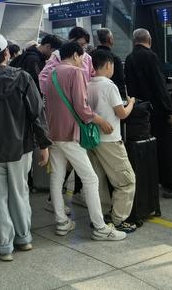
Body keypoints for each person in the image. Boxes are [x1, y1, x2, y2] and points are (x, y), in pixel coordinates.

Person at [0, 33, 51, 261]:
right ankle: (24, 238)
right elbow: (37, 113)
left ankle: (4, 246)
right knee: (20, 193)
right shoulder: (23, 78)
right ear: (6, 53)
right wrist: (43, 144)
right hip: (20, 147)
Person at [40, 40, 126, 241]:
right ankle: (100, 228)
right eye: (82, 58)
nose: (83, 62)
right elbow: (82, 107)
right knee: (91, 179)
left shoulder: (51, 73)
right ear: (76, 55)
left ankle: (61, 222)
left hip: (54, 133)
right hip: (70, 134)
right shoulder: (75, 72)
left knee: (57, 177)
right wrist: (100, 120)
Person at [125, 28, 172, 199]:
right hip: (157, 111)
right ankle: (170, 186)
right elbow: (159, 85)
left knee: (148, 148)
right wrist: (169, 110)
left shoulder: (130, 58)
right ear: (149, 40)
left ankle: (152, 182)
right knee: (165, 148)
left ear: (134, 41)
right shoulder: (151, 56)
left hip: (140, 112)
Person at [87, 49, 138, 232]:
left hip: (92, 140)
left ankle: (101, 216)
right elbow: (121, 114)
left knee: (99, 180)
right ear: (108, 65)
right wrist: (131, 103)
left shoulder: (87, 84)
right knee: (126, 181)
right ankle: (118, 220)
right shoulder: (109, 86)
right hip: (110, 140)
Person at [96, 28, 126, 97]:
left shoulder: (90, 56)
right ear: (110, 39)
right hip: (112, 95)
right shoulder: (114, 58)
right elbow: (120, 81)